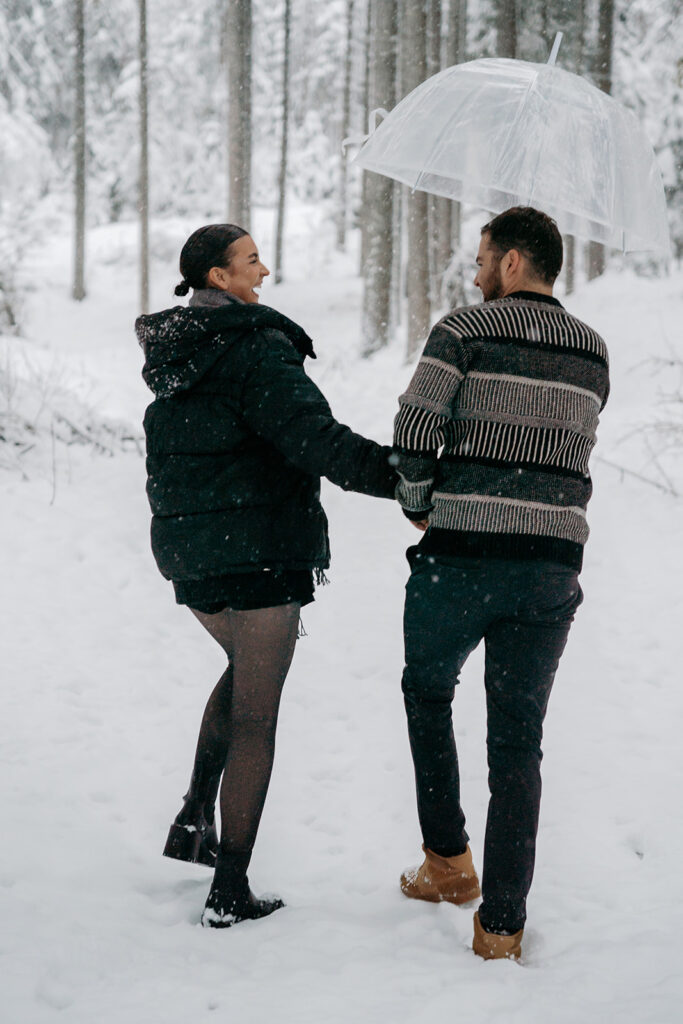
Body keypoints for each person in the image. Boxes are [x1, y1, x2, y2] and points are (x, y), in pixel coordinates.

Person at [136, 224, 396, 928]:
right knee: (257, 712)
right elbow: (314, 438)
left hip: (194, 552)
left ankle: (194, 816)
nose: (265, 269)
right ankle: (229, 889)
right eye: (251, 260)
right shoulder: (255, 347)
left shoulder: (180, 351)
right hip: (258, 549)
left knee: (245, 672)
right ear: (218, 278)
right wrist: (403, 479)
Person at [393, 207, 609, 960]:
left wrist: (419, 504)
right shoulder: (593, 351)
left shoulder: (463, 329)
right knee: (518, 742)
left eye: (484, 257)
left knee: (426, 690)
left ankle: (448, 862)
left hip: (461, 558)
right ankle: (502, 929)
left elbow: (416, 424)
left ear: (513, 262)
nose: (475, 269)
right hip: (550, 569)